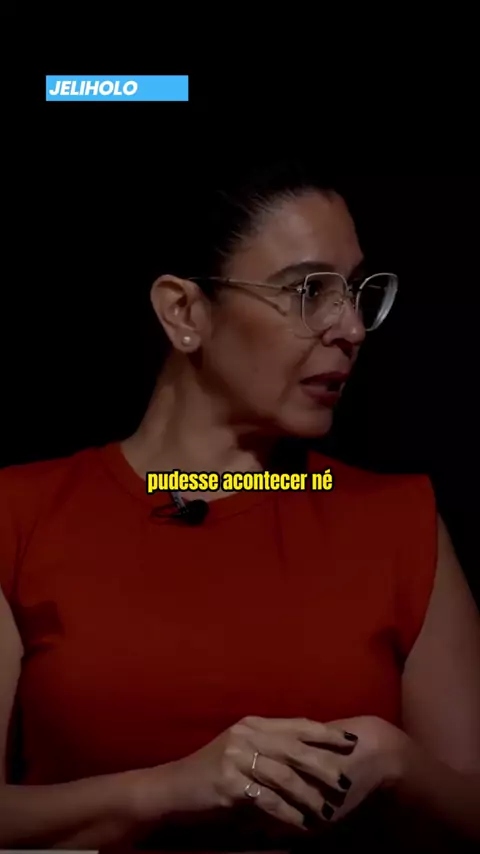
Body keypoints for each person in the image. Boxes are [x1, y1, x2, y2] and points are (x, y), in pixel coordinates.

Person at [0, 161, 479, 852]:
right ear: (185, 312)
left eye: (355, 292)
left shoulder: (397, 521)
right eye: (310, 290)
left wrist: (401, 764)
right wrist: (172, 790)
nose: (352, 328)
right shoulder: (22, 514)